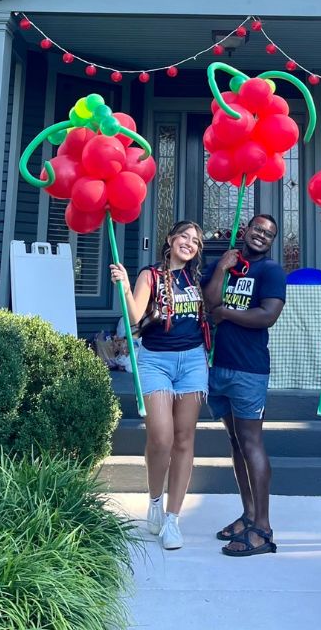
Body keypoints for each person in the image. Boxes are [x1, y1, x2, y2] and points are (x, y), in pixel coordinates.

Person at [109, 220, 208, 551]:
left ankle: (172, 520)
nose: (190, 243)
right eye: (185, 236)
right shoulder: (150, 275)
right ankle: (154, 499)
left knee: (184, 439)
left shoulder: (196, 279)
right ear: (170, 239)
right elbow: (136, 317)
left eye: (196, 241)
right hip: (155, 361)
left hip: (193, 362)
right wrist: (124, 286)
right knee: (161, 436)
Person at [201, 214, 286, 557]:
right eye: (257, 229)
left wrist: (226, 313)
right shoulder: (228, 264)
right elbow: (208, 303)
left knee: (251, 442)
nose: (261, 236)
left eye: (269, 234)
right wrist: (222, 267)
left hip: (248, 370)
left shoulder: (270, 272)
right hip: (216, 366)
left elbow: (267, 316)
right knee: (235, 441)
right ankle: (248, 514)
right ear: (246, 230)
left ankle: (263, 529)